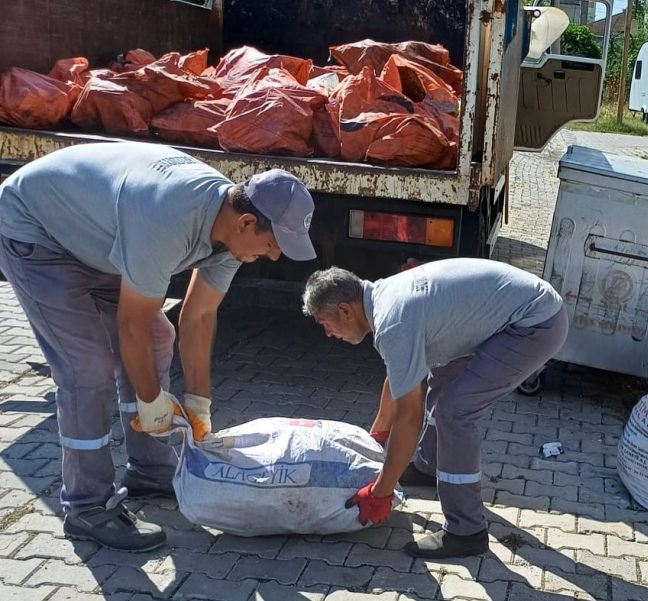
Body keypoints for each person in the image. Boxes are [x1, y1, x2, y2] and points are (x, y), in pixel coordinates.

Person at [0, 142, 316, 551]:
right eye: (273, 245)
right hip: (37, 231)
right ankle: (86, 505)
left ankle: (149, 468)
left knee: (157, 337)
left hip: (94, 237)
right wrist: (151, 400)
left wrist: (199, 405)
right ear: (246, 222)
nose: (273, 257)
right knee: (87, 368)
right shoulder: (169, 218)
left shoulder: (230, 233)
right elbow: (130, 324)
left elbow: (198, 315)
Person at [301, 259, 568, 558]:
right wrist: (377, 437)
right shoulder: (383, 298)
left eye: (325, 324)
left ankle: (466, 532)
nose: (328, 334)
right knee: (441, 375)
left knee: (456, 411)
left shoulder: (393, 321)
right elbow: (399, 376)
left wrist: (380, 492)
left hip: (534, 323)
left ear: (345, 311)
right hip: (516, 314)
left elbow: (409, 416)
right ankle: (430, 468)